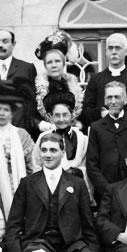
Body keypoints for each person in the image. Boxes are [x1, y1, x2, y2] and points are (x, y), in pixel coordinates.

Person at [4, 133, 99, 252]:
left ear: (62, 153)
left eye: (53, 150)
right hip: (38, 241)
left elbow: (88, 223)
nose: (48, 155)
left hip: (71, 244)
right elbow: (13, 223)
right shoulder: (28, 183)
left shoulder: (77, 183)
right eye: (44, 150)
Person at [0, 81, 37, 218]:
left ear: (12, 113)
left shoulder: (21, 135)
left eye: (6, 110)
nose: (2, 113)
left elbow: (31, 164)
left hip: (18, 182)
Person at [36, 65, 91, 196]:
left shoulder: (82, 138)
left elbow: (87, 165)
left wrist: (76, 172)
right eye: (57, 115)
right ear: (50, 117)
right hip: (50, 188)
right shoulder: (44, 137)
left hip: (75, 188)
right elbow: (36, 164)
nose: (61, 119)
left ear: (72, 115)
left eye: (65, 115)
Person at [81, 33, 127, 128]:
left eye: (118, 48)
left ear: (126, 51)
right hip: (104, 134)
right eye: (110, 48)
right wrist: (101, 113)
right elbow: (85, 111)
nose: (114, 52)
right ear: (106, 52)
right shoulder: (96, 79)